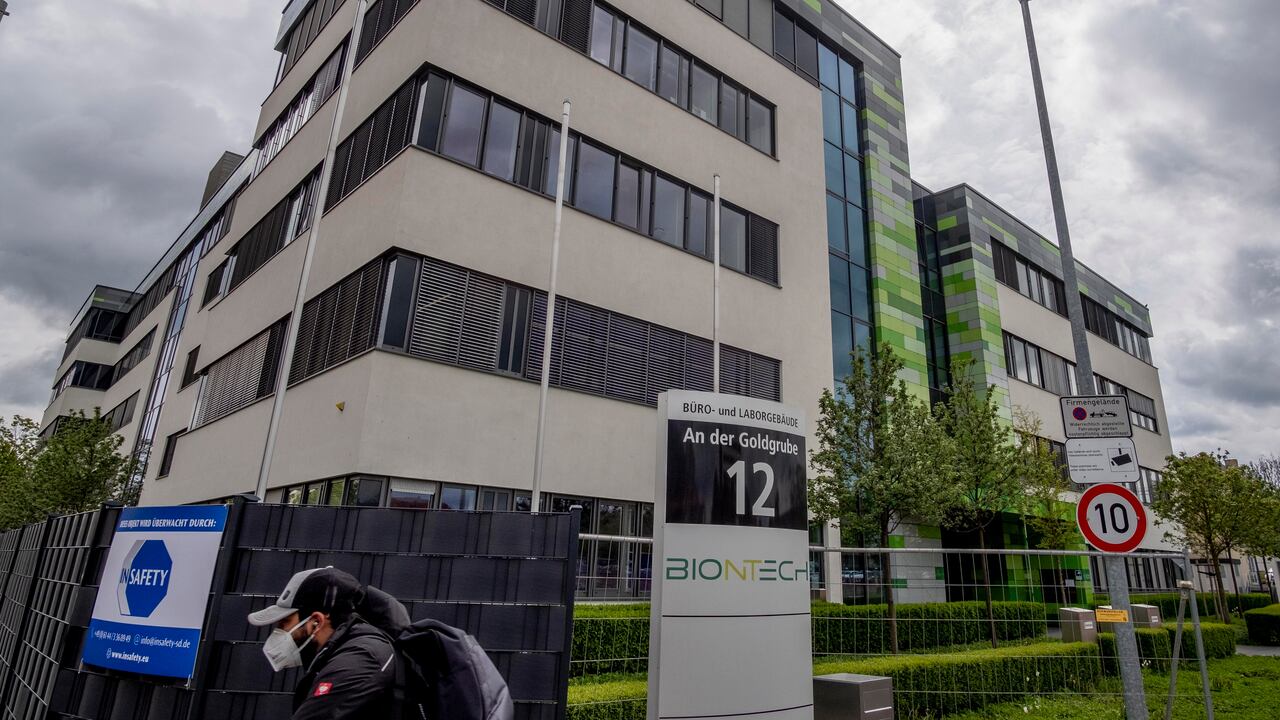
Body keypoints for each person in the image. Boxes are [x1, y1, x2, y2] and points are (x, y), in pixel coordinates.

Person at [248, 567, 399, 719]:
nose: (278, 632)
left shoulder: (360, 659)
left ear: (316, 621)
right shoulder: (345, 653)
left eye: (284, 624)